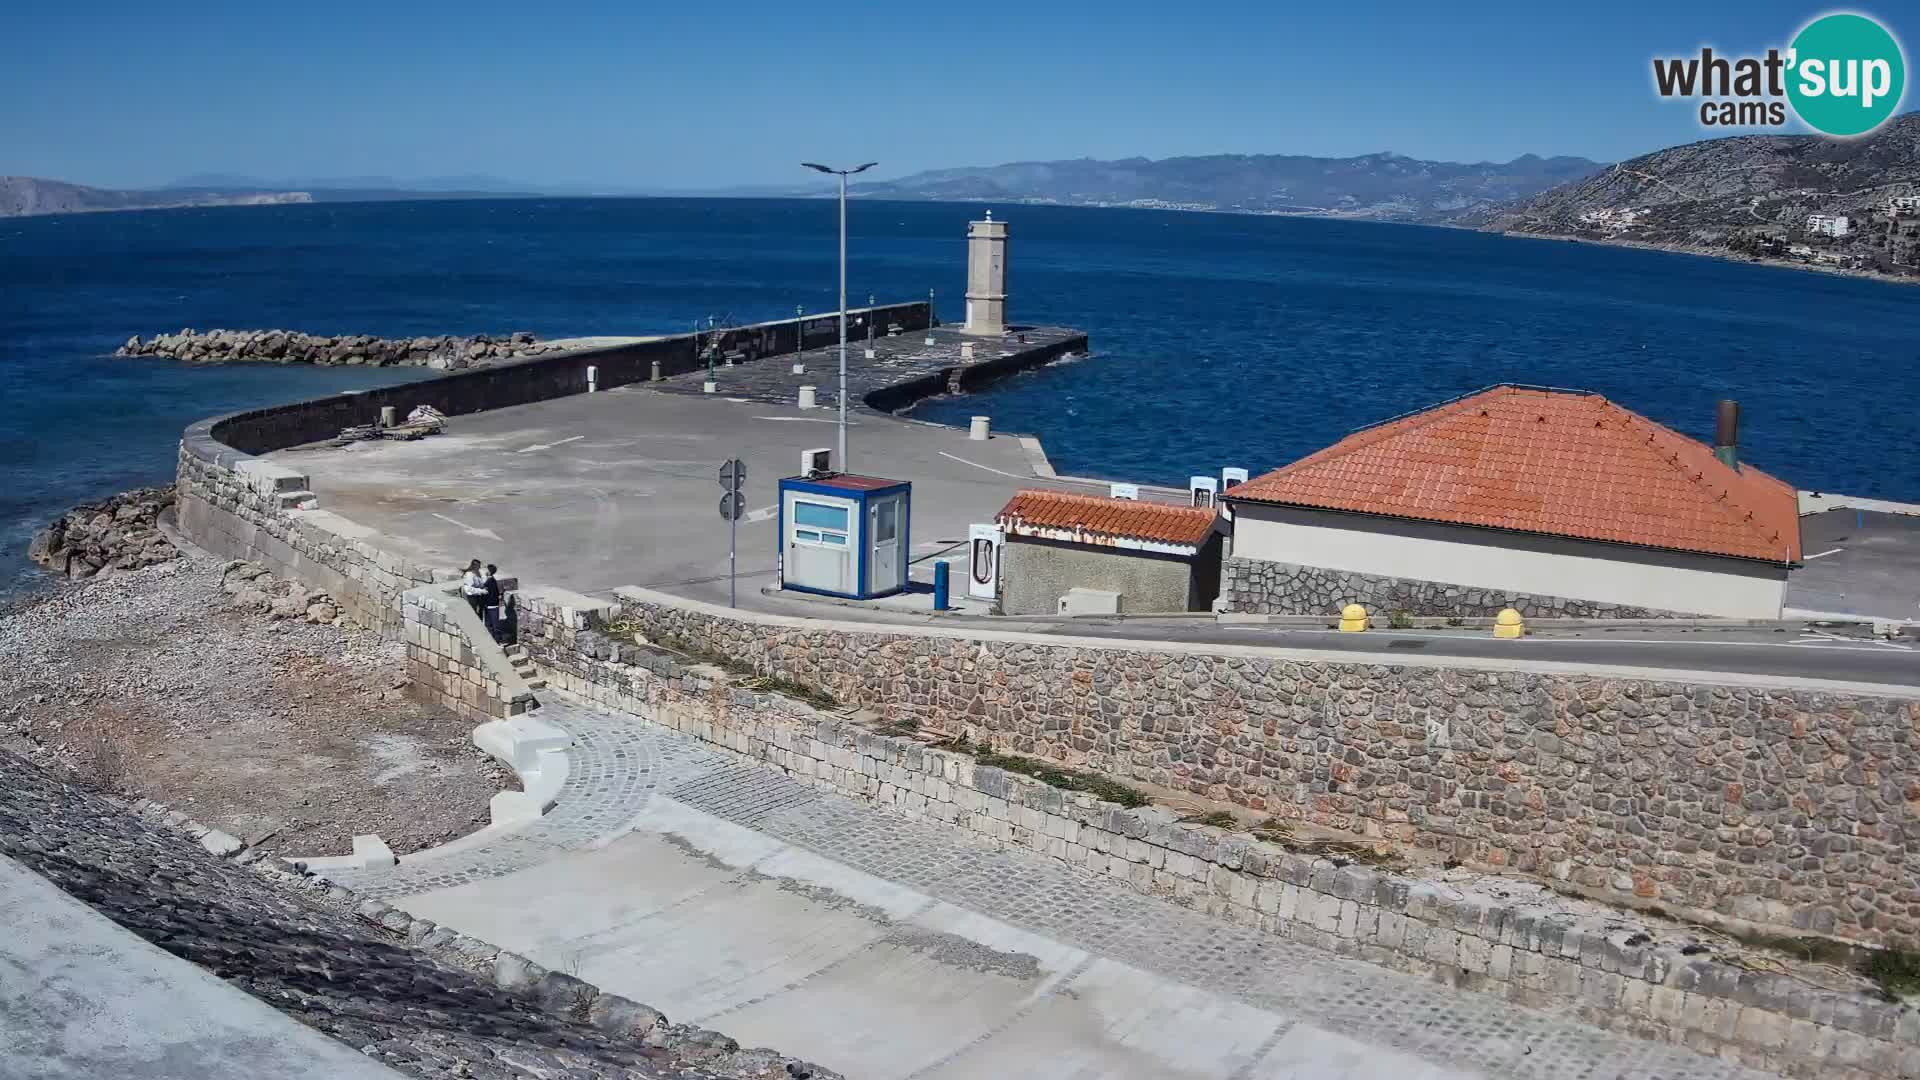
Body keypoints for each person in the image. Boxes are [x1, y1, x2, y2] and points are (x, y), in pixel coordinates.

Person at [482, 563, 505, 642]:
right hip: (489, 606)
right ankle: (494, 641)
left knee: (494, 626)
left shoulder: (490, 581)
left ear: (489, 572)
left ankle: (498, 641)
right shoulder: (491, 580)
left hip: (492, 606)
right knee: (491, 625)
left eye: (486, 570)